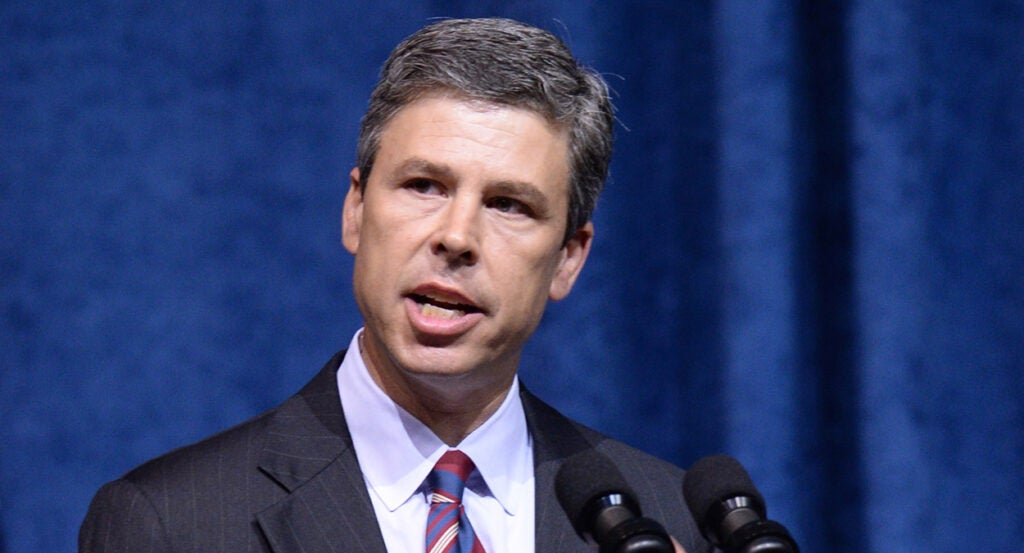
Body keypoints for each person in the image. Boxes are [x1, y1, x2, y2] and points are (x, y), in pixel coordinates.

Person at [80, 17, 712, 553]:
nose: (456, 237)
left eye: (508, 204)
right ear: (356, 211)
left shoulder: (668, 521)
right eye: (424, 186)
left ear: (569, 258)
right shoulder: (170, 524)